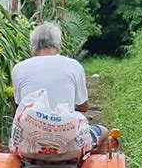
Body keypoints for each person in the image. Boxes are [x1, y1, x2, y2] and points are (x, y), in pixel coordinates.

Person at [11, 22, 109, 154]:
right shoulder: (73, 65)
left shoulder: (18, 68)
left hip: (30, 145)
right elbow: (83, 107)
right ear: (59, 46)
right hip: (69, 145)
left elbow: (20, 105)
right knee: (104, 132)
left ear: (32, 48)